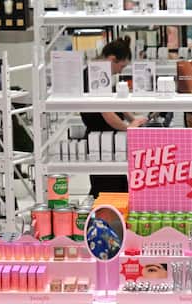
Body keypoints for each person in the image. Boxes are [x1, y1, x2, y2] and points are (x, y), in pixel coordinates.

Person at [81, 37, 146, 197]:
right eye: (121, 66)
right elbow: (107, 113)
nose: (121, 71)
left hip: (108, 138)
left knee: (117, 184)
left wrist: (132, 119)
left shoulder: (100, 73)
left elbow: (114, 105)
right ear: (111, 59)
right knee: (107, 188)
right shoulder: (94, 74)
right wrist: (128, 127)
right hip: (100, 141)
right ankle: (102, 218)